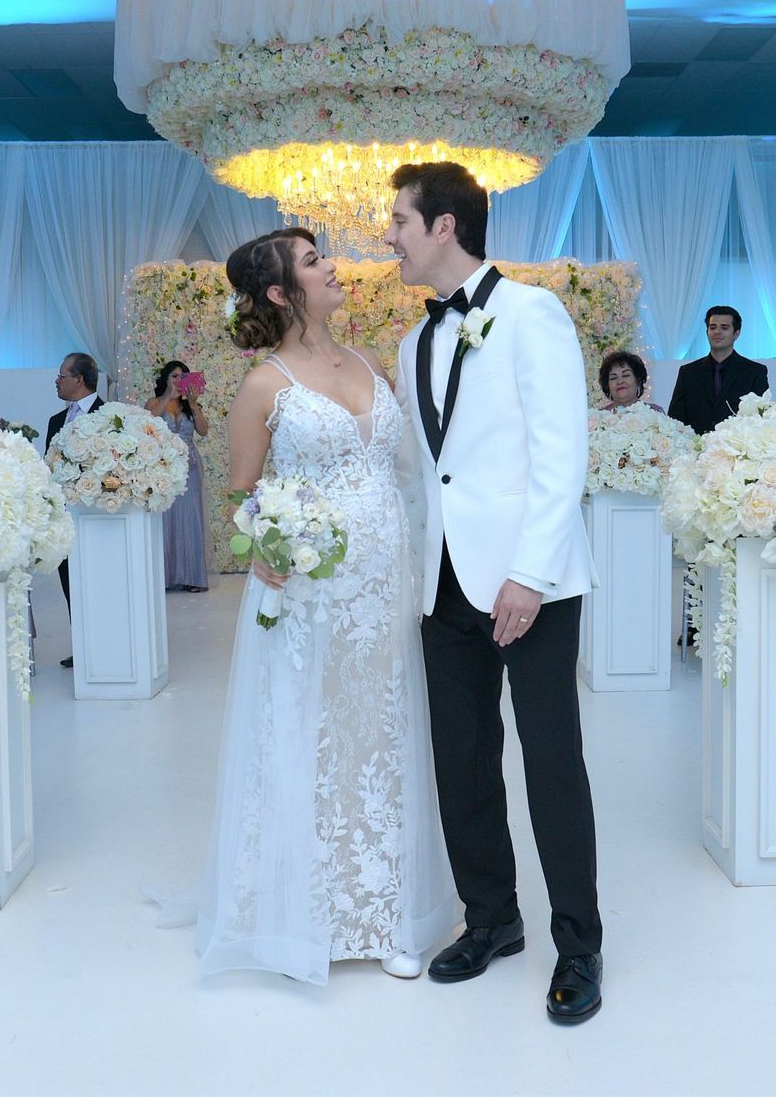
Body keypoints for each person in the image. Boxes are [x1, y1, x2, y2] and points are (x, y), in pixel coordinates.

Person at [153, 227, 454, 986]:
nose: (335, 269)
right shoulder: (264, 385)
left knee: (382, 732)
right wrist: (263, 546)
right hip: (312, 592)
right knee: (311, 734)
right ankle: (304, 910)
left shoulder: (368, 362)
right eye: (316, 263)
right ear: (282, 293)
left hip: (385, 588)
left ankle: (385, 910)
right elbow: (241, 493)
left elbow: (406, 470)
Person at [388, 161, 603, 1024]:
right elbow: (425, 475)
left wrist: (529, 574)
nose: (390, 235)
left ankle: (579, 948)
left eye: (400, 219)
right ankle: (492, 920)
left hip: (532, 581)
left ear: (445, 226)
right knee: (463, 759)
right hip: (444, 582)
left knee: (552, 763)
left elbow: (562, 451)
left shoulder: (530, 312)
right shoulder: (413, 342)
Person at [47, 352, 102, 669]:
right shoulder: (56, 420)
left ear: (79, 379)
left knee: (97, 583)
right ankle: (81, 644)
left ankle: (102, 644)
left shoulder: (109, 415)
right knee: (70, 581)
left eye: (62, 375)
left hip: (96, 518)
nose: (57, 381)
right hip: (65, 519)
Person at [146, 359, 209, 592]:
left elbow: (203, 431)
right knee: (165, 521)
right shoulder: (154, 402)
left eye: (182, 377)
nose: (178, 381)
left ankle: (192, 576)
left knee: (190, 519)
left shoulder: (190, 407)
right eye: (174, 376)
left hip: (189, 470)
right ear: (165, 378)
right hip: (162, 471)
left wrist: (193, 404)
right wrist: (167, 397)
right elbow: (148, 423)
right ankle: (164, 577)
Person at [666, 305, 767, 435]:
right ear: (707, 331)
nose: (717, 332)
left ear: (736, 333)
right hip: (695, 448)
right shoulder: (688, 372)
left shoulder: (755, 372)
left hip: (737, 448)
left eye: (724, 328)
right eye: (712, 327)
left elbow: (760, 418)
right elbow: (675, 419)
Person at [597, 351, 662, 412]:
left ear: (638, 380)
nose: (620, 381)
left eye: (626, 375)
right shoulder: (599, 417)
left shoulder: (654, 412)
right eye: (613, 378)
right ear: (607, 385)